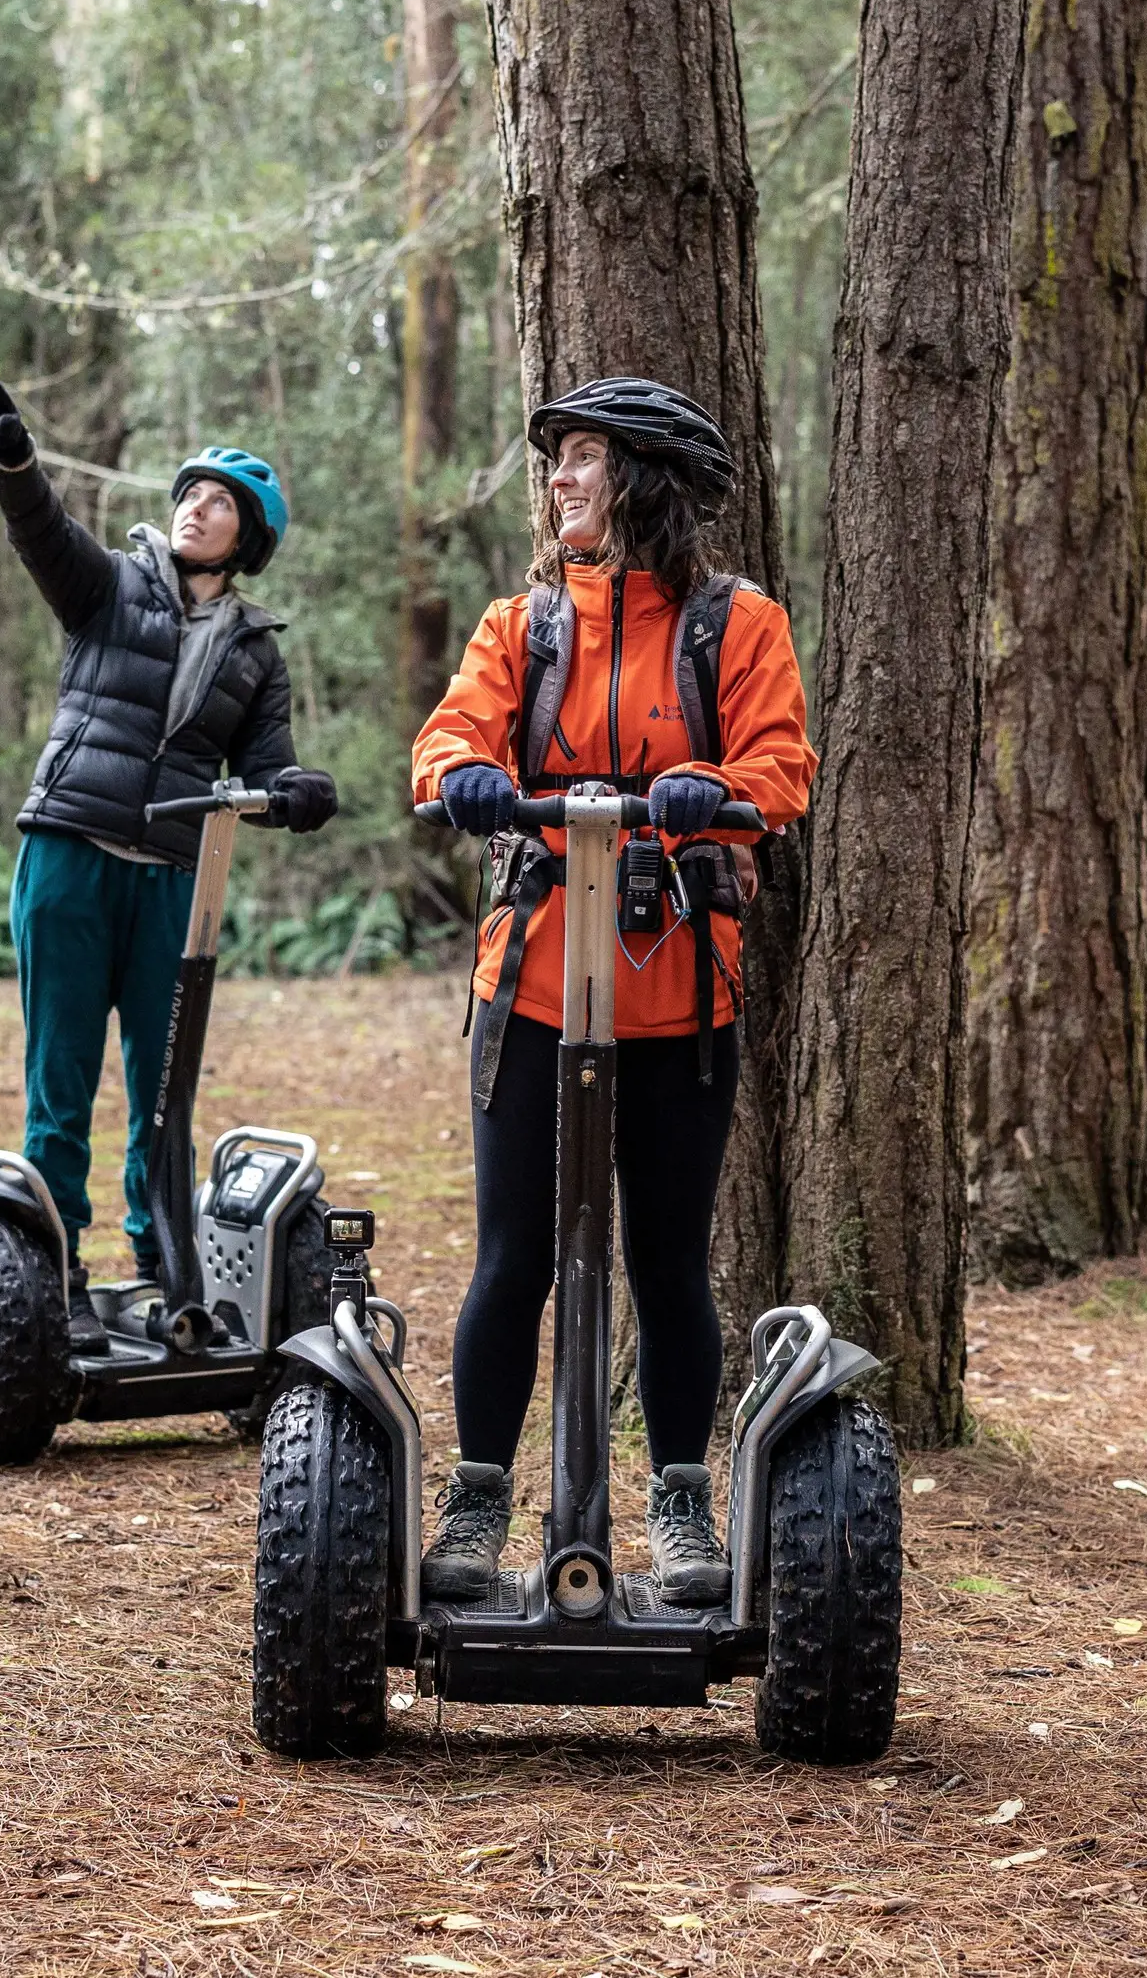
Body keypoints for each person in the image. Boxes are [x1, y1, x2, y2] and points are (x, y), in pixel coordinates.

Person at [408, 377, 815, 1607]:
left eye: (583, 459)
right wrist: (469, 776)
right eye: (558, 461)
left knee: (669, 1262)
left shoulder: (735, 626)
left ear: (641, 479)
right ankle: (479, 1497)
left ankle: (681, 1500)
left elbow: (782, 763)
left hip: (678, 999)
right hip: (530, 984)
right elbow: (446, 742)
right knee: (510, 1259)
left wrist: (710, 782)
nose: (560, 481)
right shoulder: (522, 625)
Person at [0, 373, 339, 1345]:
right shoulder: (111, 587)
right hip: (70, 856)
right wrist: (15, 463)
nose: (194, 507)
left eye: (217, 501)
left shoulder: (255, 650)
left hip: (172, 875)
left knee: (163, 1089)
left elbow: (264, 773)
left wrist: (296, 793)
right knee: (61, 1086)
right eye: (189, 492)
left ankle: (160, 1266)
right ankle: (54, 1278)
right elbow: (42, 535)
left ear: (247, 538)